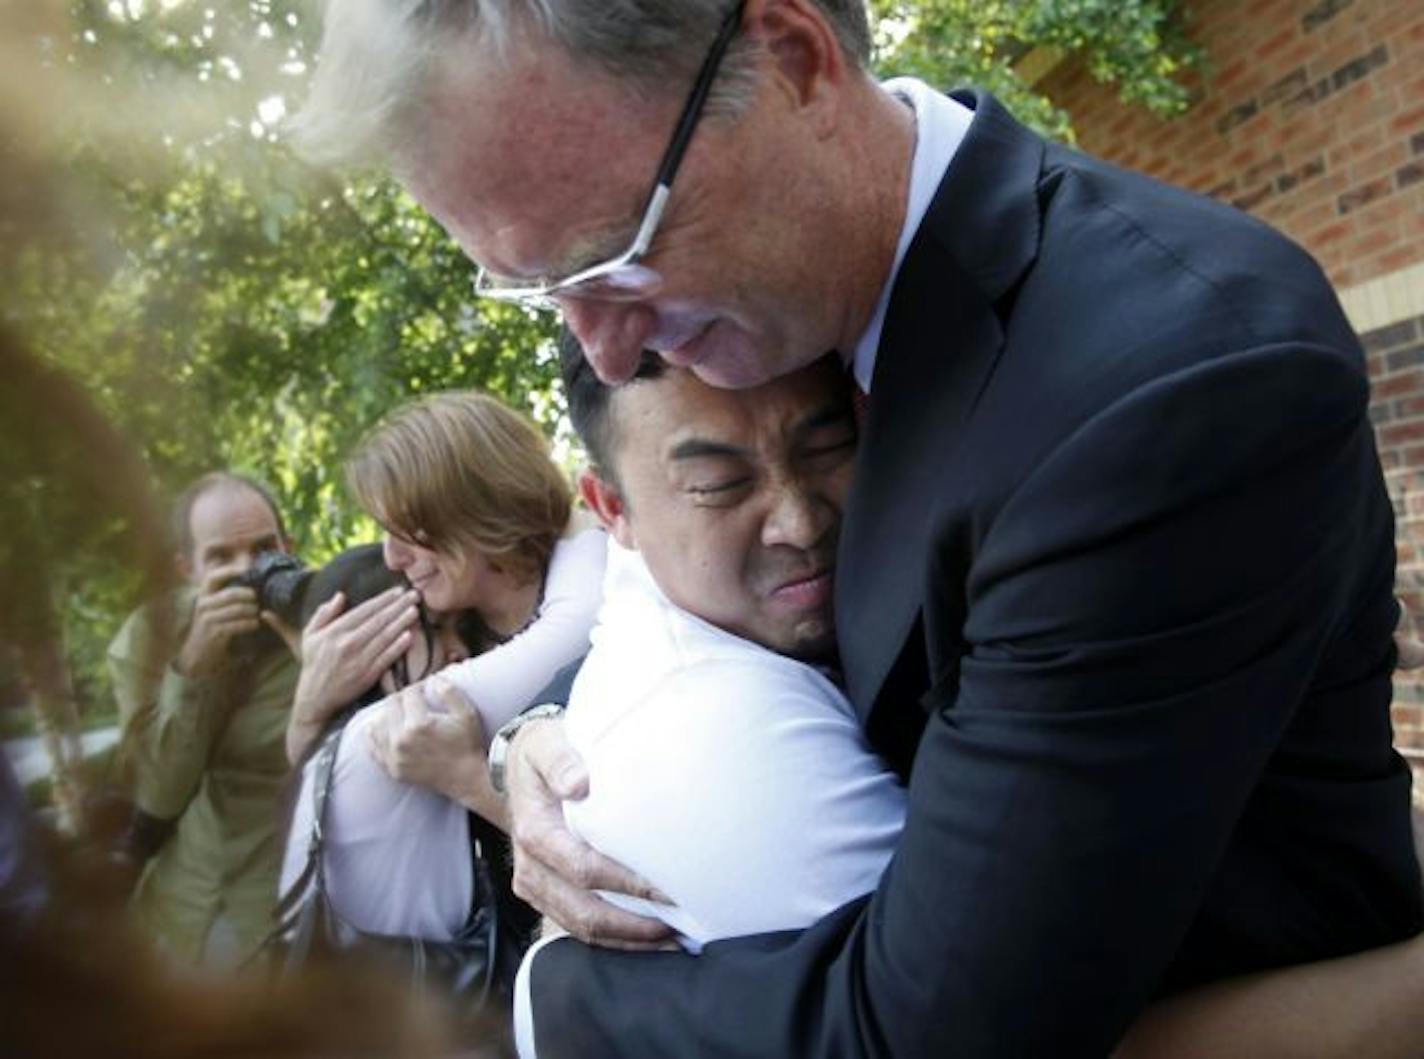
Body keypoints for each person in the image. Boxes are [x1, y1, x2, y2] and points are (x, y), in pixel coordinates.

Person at [295, 2, 1423, 1054]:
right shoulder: (793, 312)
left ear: (789, 62)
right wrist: (531, 740)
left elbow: (944, 1027)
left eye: (614, 251)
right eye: (539, 291)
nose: (600, 348)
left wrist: (555, 999)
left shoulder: (1152, 382)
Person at [518, 345, 1424, 1058]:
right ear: (613, 510)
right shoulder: (731, 756)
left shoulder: (689, 610)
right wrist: (558, 999)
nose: (799, 520)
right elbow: (1036, 1036)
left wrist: (516, 737)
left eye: (829, 445)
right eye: (718, 485)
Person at [280, 391, 605, 943]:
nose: (391, 558)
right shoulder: (444, 636)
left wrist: (470, 782)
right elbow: (333, 787)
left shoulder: (593, 599)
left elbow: (620, 849)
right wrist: (309, 710)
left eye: (408, 528)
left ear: (474, 507)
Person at [107, 472, 299, 966]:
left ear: (289, 546)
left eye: (263, 549)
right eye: (221, 557)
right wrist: (194, 664)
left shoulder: (323, 617)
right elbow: (156, 793)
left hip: (291, 910)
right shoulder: (148, 636)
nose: (247, 570)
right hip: (183, 906)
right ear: (187, 569)